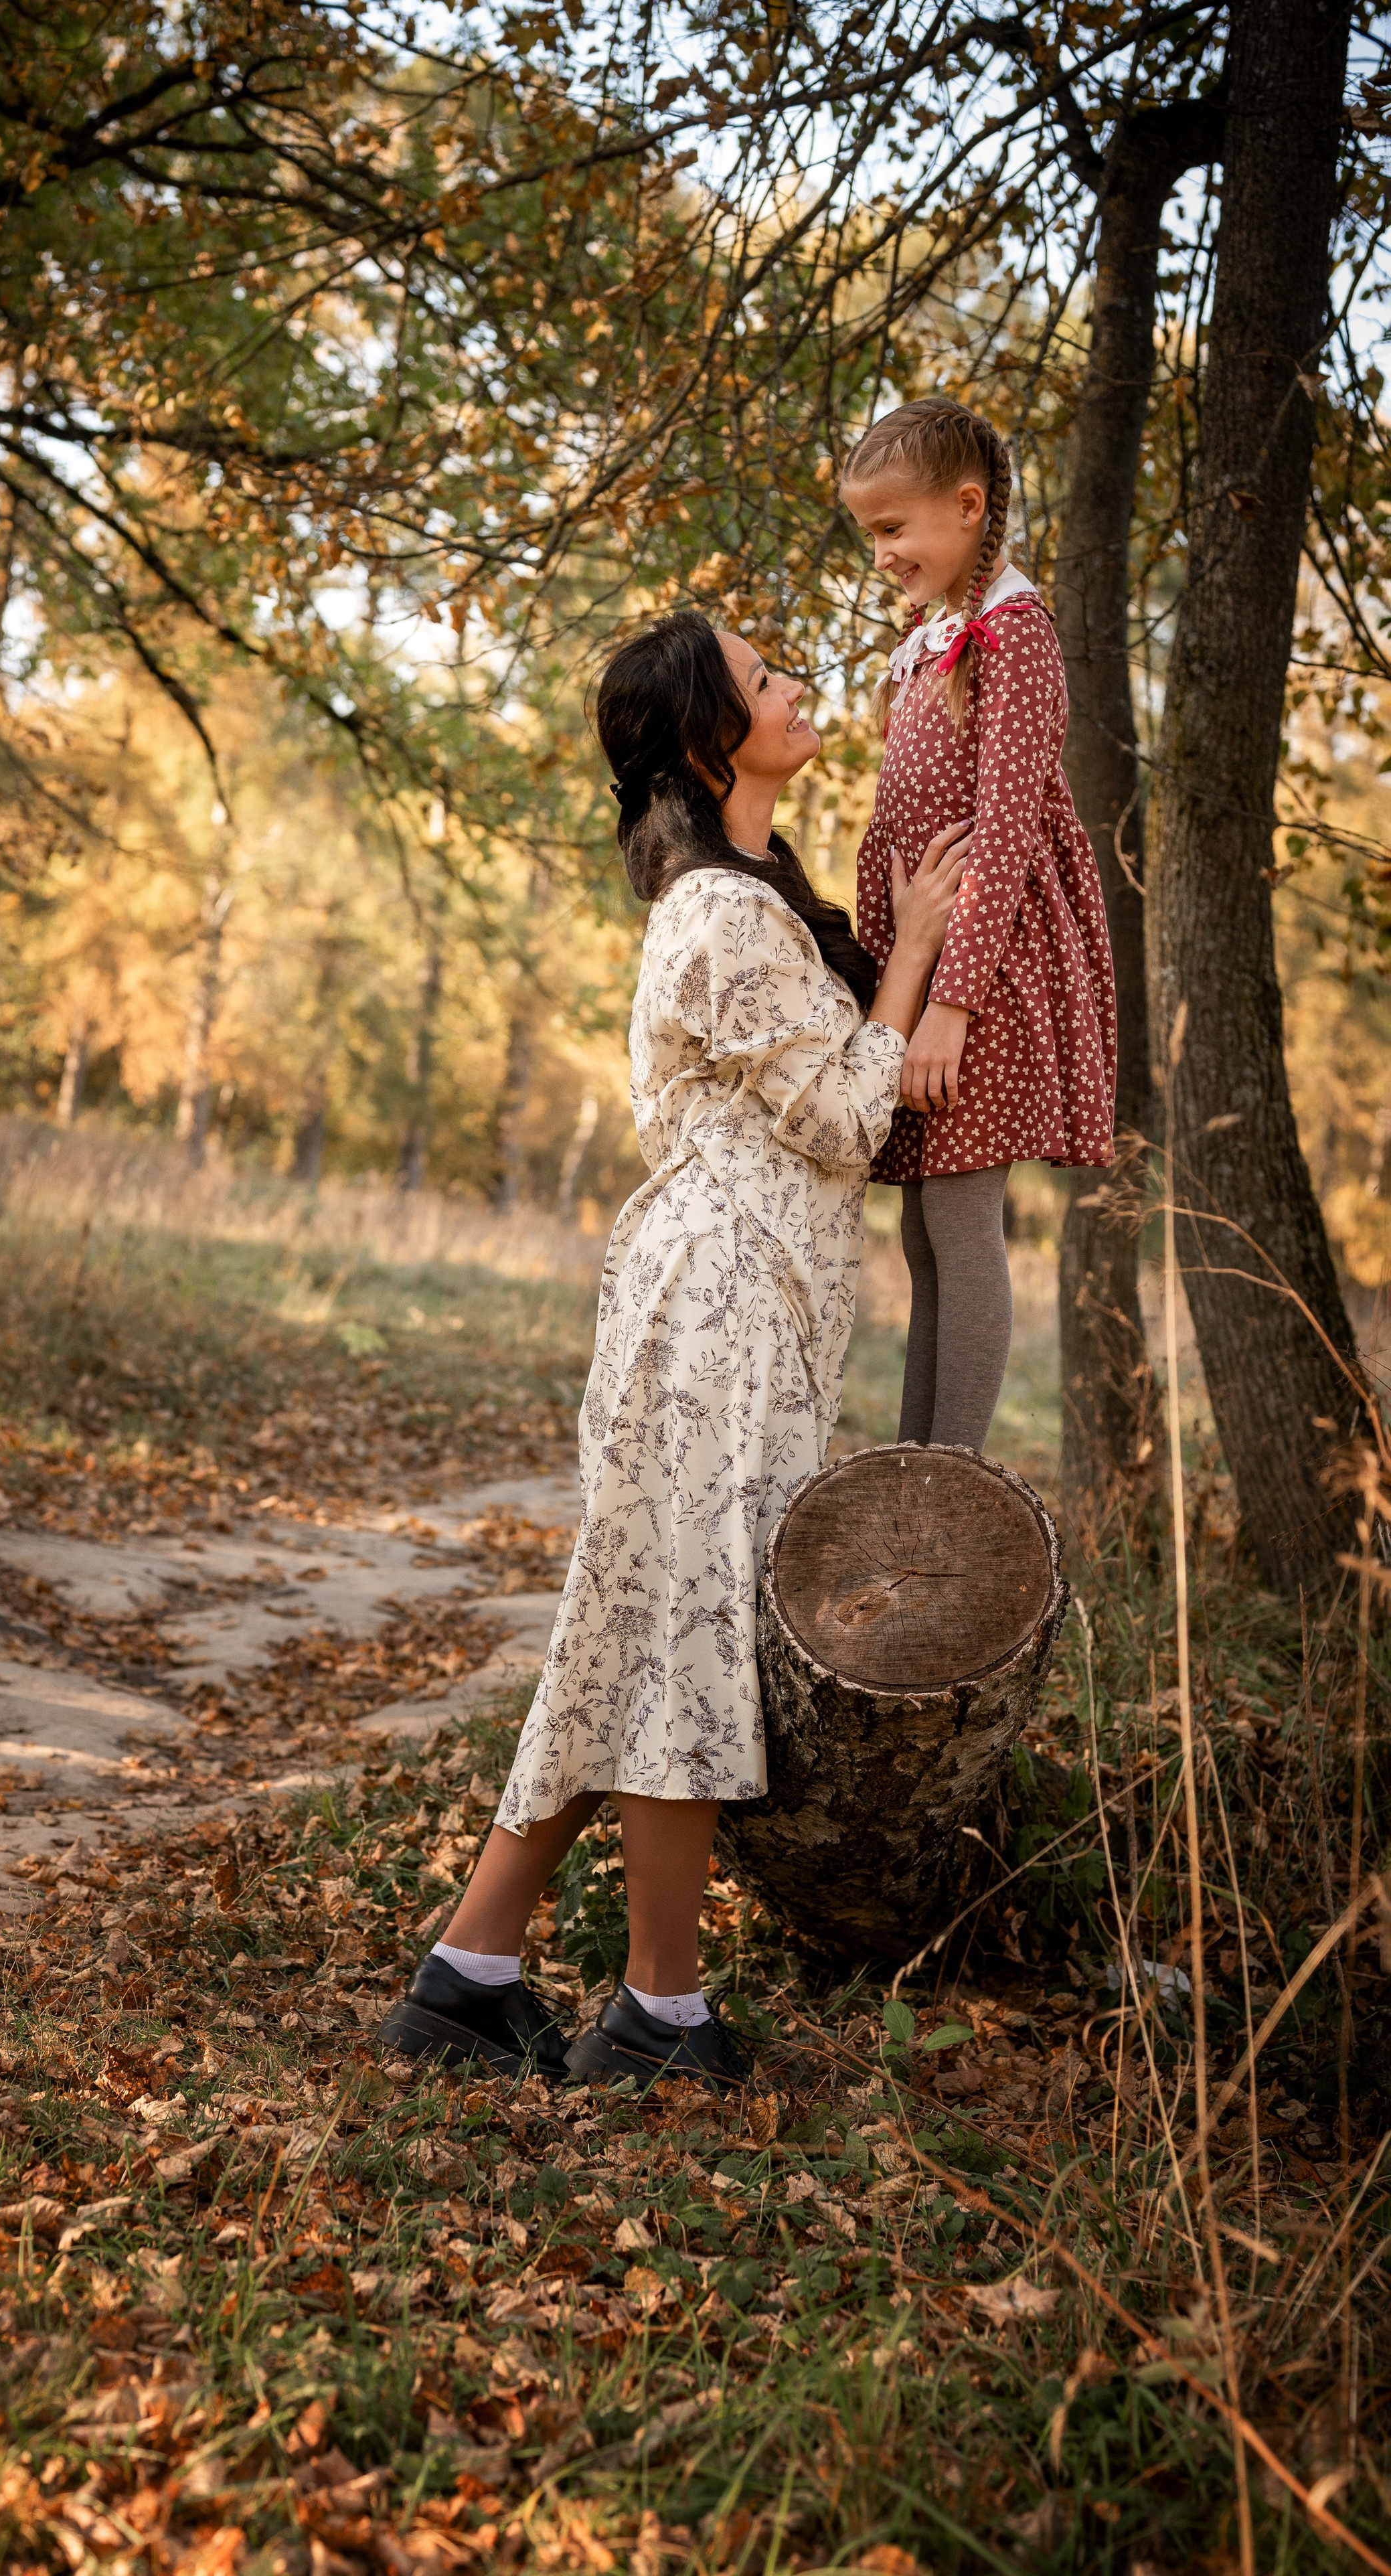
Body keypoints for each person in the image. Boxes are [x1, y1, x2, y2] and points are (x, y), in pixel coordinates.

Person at [378, 610, 969, 2092]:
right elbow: (845, 1117)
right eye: (767, 678)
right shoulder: (712, 916)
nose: (797, 685)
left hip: (735, 1304)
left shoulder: (752, 901)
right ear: (712, 740)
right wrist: (912, 973)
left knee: (629, 1631)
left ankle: (469, 1971)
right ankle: (660, 2004)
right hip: (711, 1307)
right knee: (686, 1637)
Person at [841, 396, 1117, 1452]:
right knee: (922, 1230)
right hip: (932, 968)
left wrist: (949, 1005)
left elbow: (1005, 830)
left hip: (988, 977)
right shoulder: (934, 639)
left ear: (967, 507)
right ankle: (915, 1465)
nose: (883, 555)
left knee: (960, 1219)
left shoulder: (1016, 634)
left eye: (893, 529)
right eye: (871, 534)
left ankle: (948, 1478)